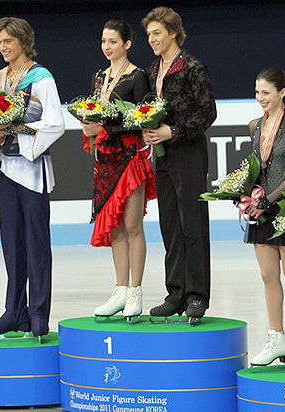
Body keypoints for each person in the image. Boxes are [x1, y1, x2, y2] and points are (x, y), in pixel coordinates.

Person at [0, 17, 65, 340]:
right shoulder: (1, 77)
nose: (3, 47)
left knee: (36, 243)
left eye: (8, 41)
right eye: (0, 42)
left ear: (23, 42)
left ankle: (38, 313)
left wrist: (17, 129)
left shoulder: (41, 77)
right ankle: (14, 312)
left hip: (32, 170)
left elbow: (55, 123)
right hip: (6, 167)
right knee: (12, 244)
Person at [141, 7, 216, 323]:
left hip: (188, 153)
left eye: (157, 33)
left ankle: (197, 295)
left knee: (192, 224)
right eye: (148, 35)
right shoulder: (151, 70)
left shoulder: (193, 67)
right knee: (170, 224)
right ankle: (176, 293)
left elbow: (207, 112)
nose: (152, 39)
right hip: (163, 156)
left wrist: (174, 130)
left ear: (173, 32)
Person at [81, 19, 156, 322]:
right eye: (103, 41)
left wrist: (106, 126)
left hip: (129, 156)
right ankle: (121, 288)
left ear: (126, 44)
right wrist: (89, 125)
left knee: (133, 224)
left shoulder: (137, 76)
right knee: (114, 227)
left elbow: (141, 118)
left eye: (112, 41)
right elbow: (93, 112)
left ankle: (136, 292)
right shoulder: (99, 77)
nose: (107, 47)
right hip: (105, 159)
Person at [243, 68, 285, 371]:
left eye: (266, 92)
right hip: (261, 210)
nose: (260, 98)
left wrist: (270, 200)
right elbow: (255, 167)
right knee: (269, 276)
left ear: (282, 92)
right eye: (257, 93)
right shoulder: (254, 126)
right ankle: (275, 336)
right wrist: (243, 193)